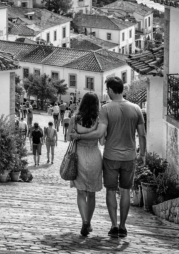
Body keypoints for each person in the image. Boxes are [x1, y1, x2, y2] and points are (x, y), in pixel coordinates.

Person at [70, 77, 146, 239]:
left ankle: (113, 226)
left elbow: (99, 134)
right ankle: (123, 227)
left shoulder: (106, 109)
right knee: (125, 191)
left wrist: (79, 134)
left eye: (107, 90)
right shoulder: (136, 108)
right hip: (129, 157)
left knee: (111, 191)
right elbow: (142, 135)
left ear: (111, 90)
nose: (107, 93)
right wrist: (142, 155)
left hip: (111, 156)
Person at [68, 92, 103, 237]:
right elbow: (102, 141)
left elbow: (69, 137)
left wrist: (79, 135)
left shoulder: (75, 119)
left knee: (81, 192)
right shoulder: (99, 121)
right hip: (95, 156)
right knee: (92, 194)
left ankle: (84, 222)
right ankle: (88, 221)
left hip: (79, 157)